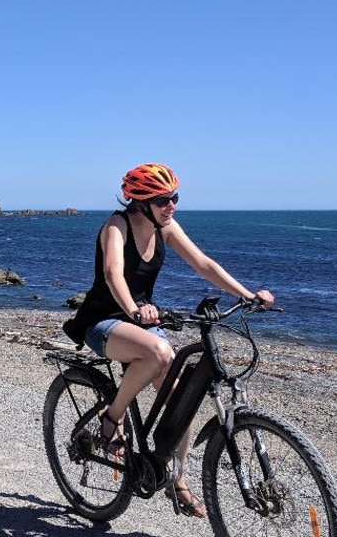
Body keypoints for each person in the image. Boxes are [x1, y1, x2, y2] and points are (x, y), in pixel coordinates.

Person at [63, 162, 275, 518]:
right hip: (104, 322)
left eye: (174, 197)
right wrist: (133, 310)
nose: (171, 205)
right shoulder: (117, 226)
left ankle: (178, 480)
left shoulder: (166, 227)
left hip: (142, 322)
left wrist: (248, 294)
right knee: (160, 352)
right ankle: (112, 419)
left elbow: (203, 264)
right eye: (162, 200)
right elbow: (114, 274)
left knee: (182, 398)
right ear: (140, 201)